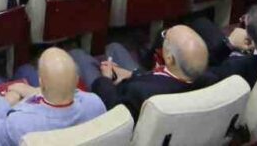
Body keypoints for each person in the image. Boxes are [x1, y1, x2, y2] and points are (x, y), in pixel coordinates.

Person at [0, 47, 106, 146]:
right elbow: (70, 93)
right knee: (25, 69)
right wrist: (34, 92)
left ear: (41, 83)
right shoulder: (95, 104)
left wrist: (4, 101)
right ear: (77, 80)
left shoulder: (20, 124)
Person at [81, 25, 209, 117]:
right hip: (144, 79)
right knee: (114, 47)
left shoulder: (138, 91)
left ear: (169, 59)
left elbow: (114, 108)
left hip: (117, 97)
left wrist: (106, 79)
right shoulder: (208, 79)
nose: (162, 35)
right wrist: (132, 75)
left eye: (165, 35)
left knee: (80, 57)